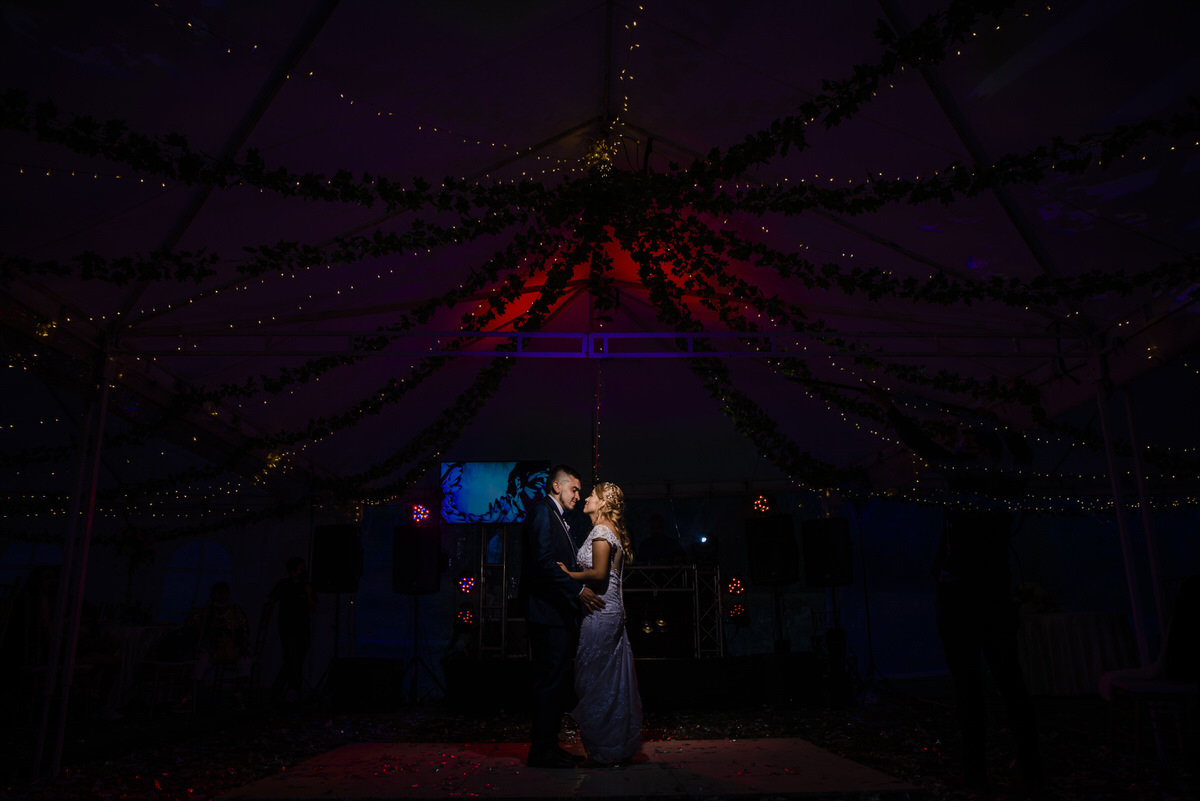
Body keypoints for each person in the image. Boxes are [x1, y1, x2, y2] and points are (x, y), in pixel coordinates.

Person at [869, 389, 1042, 790]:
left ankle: (991, 767)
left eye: (967, 443)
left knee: (983, 685)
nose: (959, 448)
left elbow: (925, 445)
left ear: (981, 453)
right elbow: (1023, 457)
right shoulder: (997, 480)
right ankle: (1010, 765)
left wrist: (891, 410)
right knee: (994, 683)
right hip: (974, 594)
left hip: (974, 596)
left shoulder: (980, 478)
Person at [517, 464, 605, 769]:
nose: (579, 496)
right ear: (557, 486)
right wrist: (577, 591)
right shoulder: (543, 512)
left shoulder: (555, 516)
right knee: (551, 681)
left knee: (555, 681)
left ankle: (548, 746)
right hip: (547, 613)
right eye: (574, 489)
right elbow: (542, 562)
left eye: (580, 491)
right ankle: (541, 750)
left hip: (555, 613)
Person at [558, 481, 643, 766]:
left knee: (593, 679)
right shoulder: (606, 530)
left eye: (591, 495)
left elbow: (598, 574)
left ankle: (605, 747)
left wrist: (567, 575)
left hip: (601, 613)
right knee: (605, 678)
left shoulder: (603, 531)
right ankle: (609, 745)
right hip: (608, 611)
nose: (585, 499)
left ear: (603, 502)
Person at [187, 581, 252, 710]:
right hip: (213, 649)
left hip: (232, 647)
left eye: (224, 592)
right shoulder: (208, 612)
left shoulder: (235, 611)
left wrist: (243, 645)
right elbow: (193, 625)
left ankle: (238, 693)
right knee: (200, 662)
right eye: (219, 593)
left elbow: (244, 629)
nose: (222, 596)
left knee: (246, 661)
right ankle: (189, 696)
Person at [267, 557, 315, 706]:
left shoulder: (307, 586)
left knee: (297, 661)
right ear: (293, 572)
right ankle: (284, 692)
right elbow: (271, 601)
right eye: (301, 569)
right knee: (291, 660)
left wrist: (308, 594)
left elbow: (313, 607)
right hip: (287, 628)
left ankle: (291, 693)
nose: (303, 572)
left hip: (303, 628)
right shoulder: (283, 585)